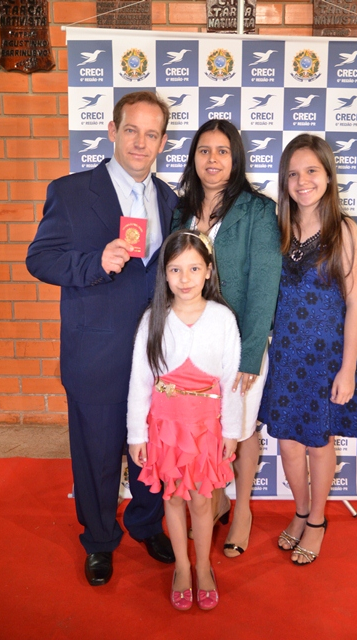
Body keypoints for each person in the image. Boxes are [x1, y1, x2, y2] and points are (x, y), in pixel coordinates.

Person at [26, 91, 179, 586]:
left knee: (150, 449)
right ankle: (98, 539)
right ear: (113, 131)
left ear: (162, 142)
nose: (140, 142)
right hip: (95, 353)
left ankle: (146, 523)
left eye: (151, 134)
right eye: (131, 130)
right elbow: (39, 259)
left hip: (156, 356)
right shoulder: (71, 192)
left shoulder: (171, 201)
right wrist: (94, 263)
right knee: (95, 453)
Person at [172, 119, 282, 558]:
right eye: (204, 150)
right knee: (207, 426)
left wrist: (251, 353)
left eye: (222, 151)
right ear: (193, 158)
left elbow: (265, 284)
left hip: (239, 341)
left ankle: (242, 511)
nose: (212, 159)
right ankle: (215, 500)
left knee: (241, 425)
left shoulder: (257, 210)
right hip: (192, 343)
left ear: (236, 159)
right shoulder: (181, 209)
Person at [259, 133, 357, 565]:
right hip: (285, 356)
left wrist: (347, 369)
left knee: (319, 443)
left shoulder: (344, 230)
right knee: (287, 444)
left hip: (326, 360)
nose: (302, 181)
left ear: (328, 175)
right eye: (293, 174)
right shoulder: (278, 229)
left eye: (311, 171)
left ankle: (318, 520)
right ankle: (301, 512)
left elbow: (356, 304)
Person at [127, 230, 242, 610]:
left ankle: (203, 566)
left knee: (203, 501)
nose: (185, 278)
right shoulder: (153, 319)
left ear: (209, 271)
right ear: (165, 274)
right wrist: (136, 434)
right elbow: (140, 381)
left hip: (206, 428)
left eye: (194, 268)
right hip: (166, 428)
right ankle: (181, 566)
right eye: (175, 269)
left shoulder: (223, 319)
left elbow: (231, 381)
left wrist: (232, 431)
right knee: (174, 498)